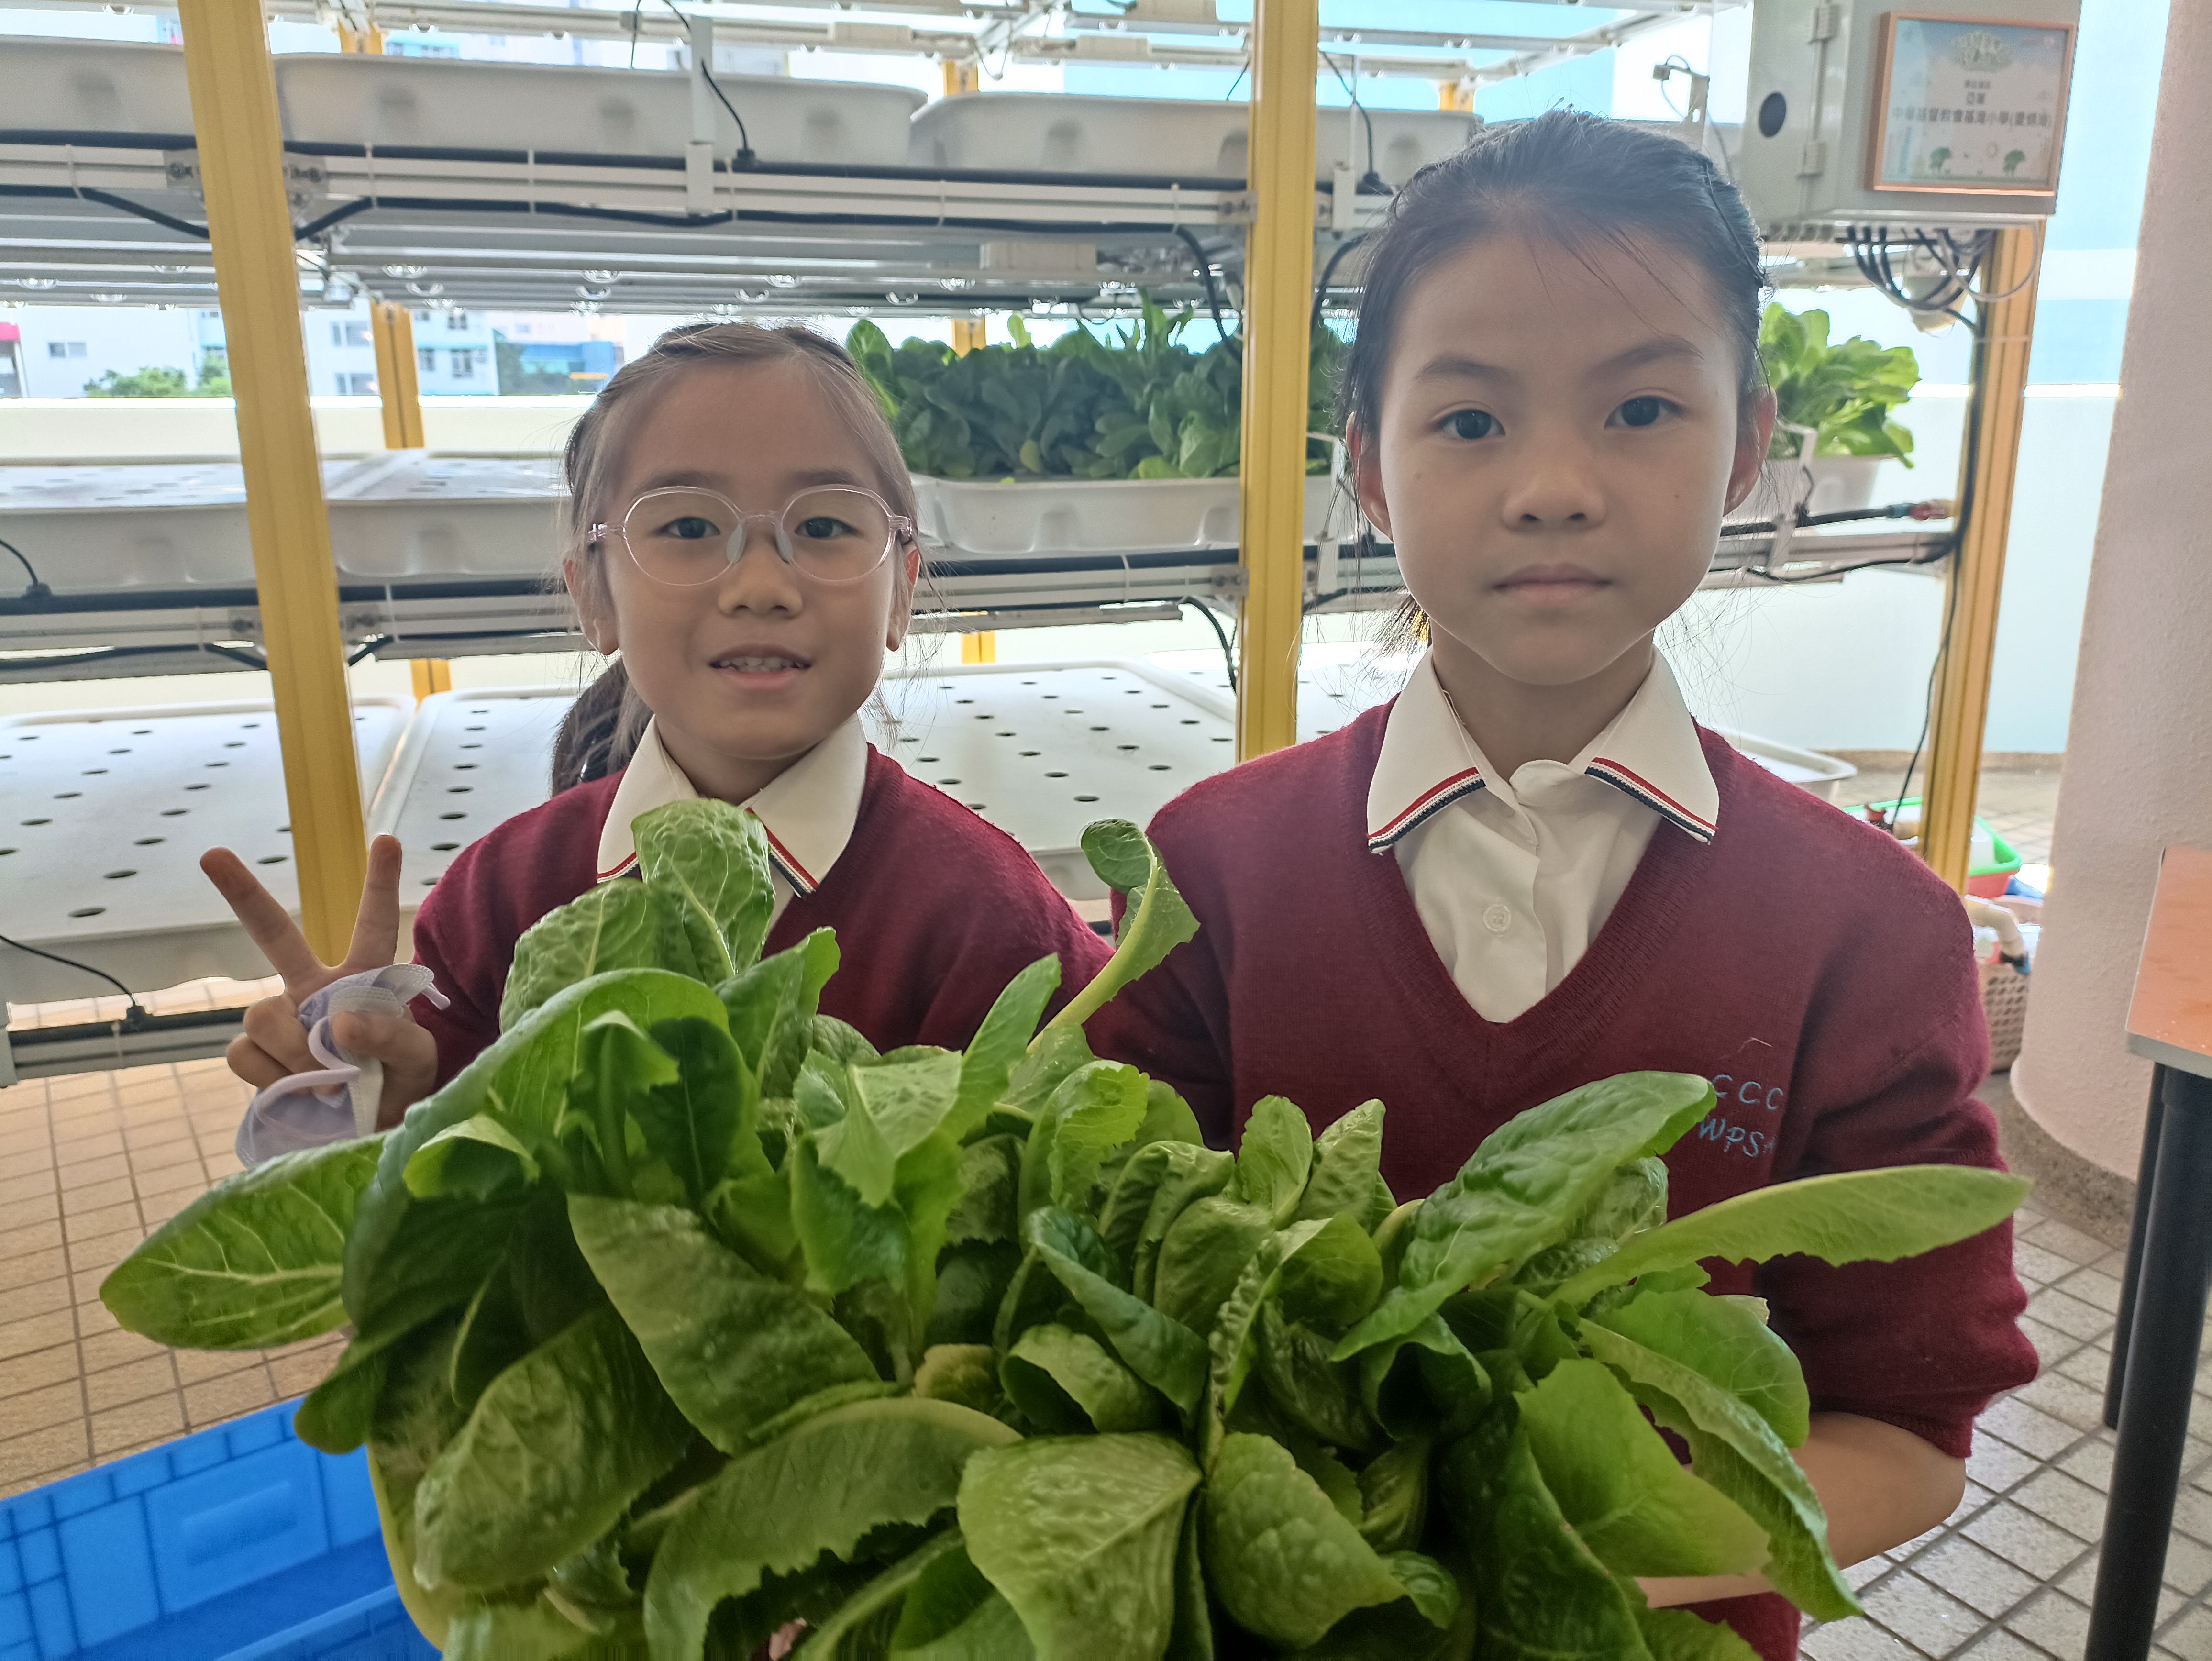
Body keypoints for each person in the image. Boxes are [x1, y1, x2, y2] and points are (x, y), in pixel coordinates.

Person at [1085, 112, 2035, 1656]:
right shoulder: (1212, 873)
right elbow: (1108, 1317)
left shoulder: (1869, 929)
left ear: (1746, 445)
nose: (1552, 486)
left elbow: (1908, 1427)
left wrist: (1547, 1567)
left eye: (1641, 408)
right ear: (1365, 467)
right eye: (1469, 421)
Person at [207, 321, 1108, 1122]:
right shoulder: (500, 899)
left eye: (827, 525)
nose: (762, 585)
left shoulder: (990, 922)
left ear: (902, 590)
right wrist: (365, 1092)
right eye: (685, 528)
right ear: (594, 597)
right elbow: (427, 1166)